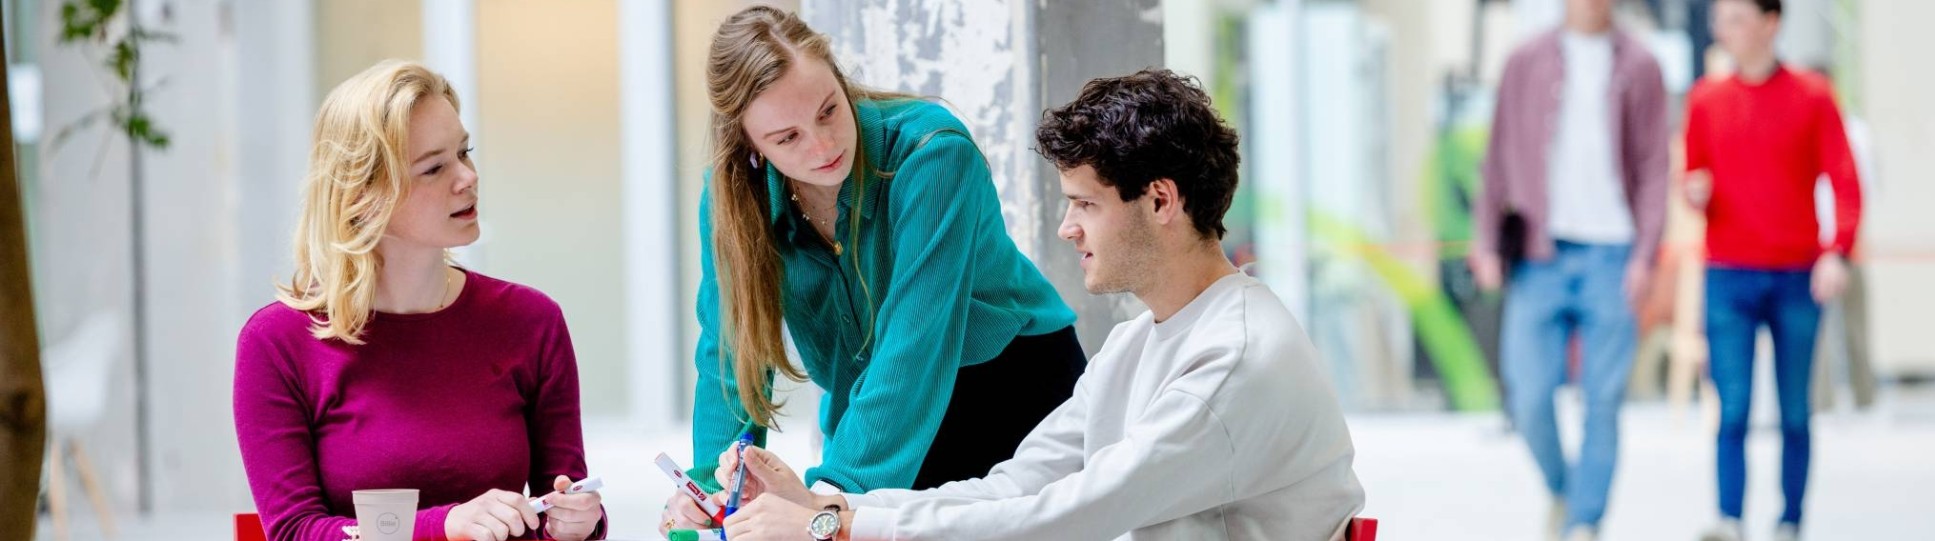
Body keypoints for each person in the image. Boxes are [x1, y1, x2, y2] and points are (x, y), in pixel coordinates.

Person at [674, 68, 1365, 541]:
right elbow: (1015, 486)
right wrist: (831, 503)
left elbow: (1059, 518)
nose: (1067, 229)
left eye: (1086, 204)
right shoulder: (1138, 342)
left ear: (1161, 201)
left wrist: (834, 524)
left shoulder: (1233, 360)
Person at [669, 5, 1087, 529]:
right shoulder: (731, 198)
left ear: (842, 83)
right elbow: (731, 352)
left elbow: (914, 346)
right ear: (749, 144)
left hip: (1009, 395)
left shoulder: (931, 153)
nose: (822, 145)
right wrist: (711, 487)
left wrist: (828, 500)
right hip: (873, 415)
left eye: (828, 110)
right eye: (787, 138)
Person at [233, 60, 605, 541]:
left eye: (464, 152)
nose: (468, 177)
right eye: (434, 167)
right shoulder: (277, 343)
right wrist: (445, 526)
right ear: (364, 195)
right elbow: (295, 531)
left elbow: (561, 499)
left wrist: (578, 522)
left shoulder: (532, 322)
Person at [1470, 0, 1671, 538]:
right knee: (1529, 394)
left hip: (1613, 254)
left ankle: (1584, 522)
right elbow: (1496, 158)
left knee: (1603, 401)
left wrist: (1645, 254)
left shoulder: (1642, 65)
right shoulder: (1525, 61)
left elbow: (1655, 167)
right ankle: (1564, 491)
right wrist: (1485, 243)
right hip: (1540, 254)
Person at [1684, 1, 1863, 539]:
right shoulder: (1705, 101)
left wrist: (1838, 249)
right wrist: (1694, 192)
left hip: (1795, 275)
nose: (1725, 31)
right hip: (1729, 274)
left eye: (1737, 18)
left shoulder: (1811, 97)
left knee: (1793, 411)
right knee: (1731, 406)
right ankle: (1729, 518)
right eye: (1720, 20)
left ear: (1770, 23)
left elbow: (1845, 179)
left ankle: (1790, 519)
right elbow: (1694, 177)